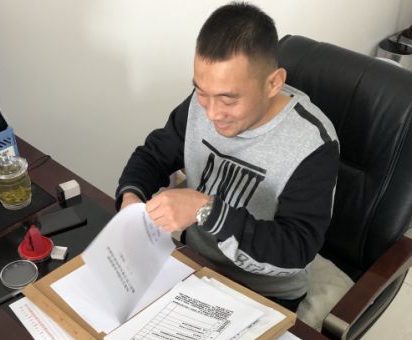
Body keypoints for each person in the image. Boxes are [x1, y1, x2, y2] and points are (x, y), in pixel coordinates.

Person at [116, 2, 339, 312]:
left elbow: (295, 250)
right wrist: (131, 198)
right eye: (202, 92)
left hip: (263, 292)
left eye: (228, 100)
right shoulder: (202, 104)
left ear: (273, 83)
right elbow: (155, 154)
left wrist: (206, 210)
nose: (212, 113)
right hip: (194, 263)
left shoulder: (313, 144)